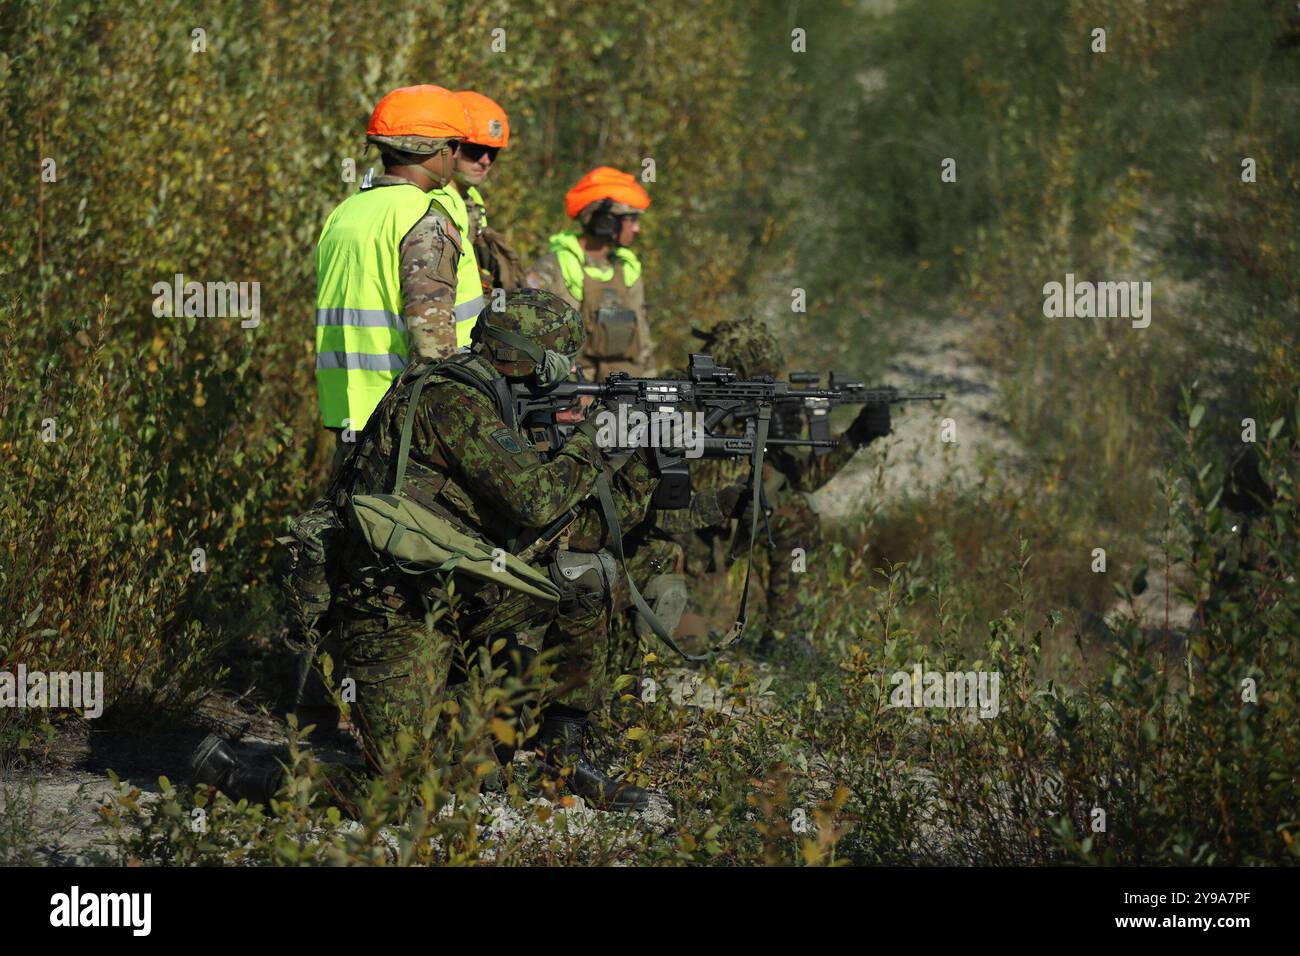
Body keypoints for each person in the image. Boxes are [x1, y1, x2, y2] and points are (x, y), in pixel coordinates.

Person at [198, 291, 661, 810]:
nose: (568, 371)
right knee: (407, 795)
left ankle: (563, 755)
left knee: (583, 581)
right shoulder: (453, 400)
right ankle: (246, 778)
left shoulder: (497, 400)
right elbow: (537, 499)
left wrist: (649, 461)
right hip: (393, 611)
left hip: (456, 598)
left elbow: (576, 528)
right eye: (561, 358)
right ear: (534, 358)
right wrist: (597, 436)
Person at [683, 318, 892, 656]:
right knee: (684, 641)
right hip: (687, 529)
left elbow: (805, 479)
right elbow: (702, 478)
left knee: (796, 512)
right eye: (756, 377)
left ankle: (784, 632)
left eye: (770, 376)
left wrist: (856, 436)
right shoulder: (687, 401)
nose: (768, 383)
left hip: (730, 517)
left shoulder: (766, 407)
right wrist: (743, 435)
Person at [314, 85, 470, 470]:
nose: (458, 157)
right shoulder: (423, 216)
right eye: (455, 146)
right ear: (436, 151)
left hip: (349, 420)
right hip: (405, 427)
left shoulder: (345, 214)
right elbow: (433, 344)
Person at [524, 167, 653, 380]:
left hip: (624, 395)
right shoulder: (553, 267)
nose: (637, 228)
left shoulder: (628, 268)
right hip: (571, 397)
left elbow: (643, 343)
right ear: (606, 220)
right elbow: (529, 337)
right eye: (631, 219)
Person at [429, 91, 514, 350]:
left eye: (493, 152)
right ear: (450, 147)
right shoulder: (431, 203)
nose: (485, 161)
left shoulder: (473, 203)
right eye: (475, 150)